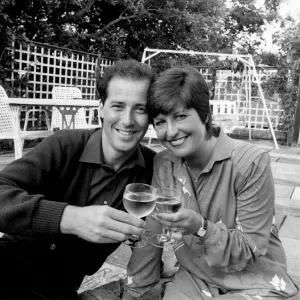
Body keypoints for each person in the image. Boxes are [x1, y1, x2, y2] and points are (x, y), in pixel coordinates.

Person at [122, 66, 299, 299]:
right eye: (160, 122)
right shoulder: (164, 162)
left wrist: (200, 227)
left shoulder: (250, 162)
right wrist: (135, 290)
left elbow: (250, 248)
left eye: (181, 116)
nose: (171, 132)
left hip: (255, 280)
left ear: (205, 115)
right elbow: (153, 231)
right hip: (196, 278)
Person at [0, 59, 156, 300]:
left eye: (140, 108)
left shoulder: (153, 169)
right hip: (9, 263)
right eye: (117, 106)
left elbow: (157, 231)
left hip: (59, 288)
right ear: (101, 108)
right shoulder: (66, 145)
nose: (127, 120)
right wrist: (70, 218)